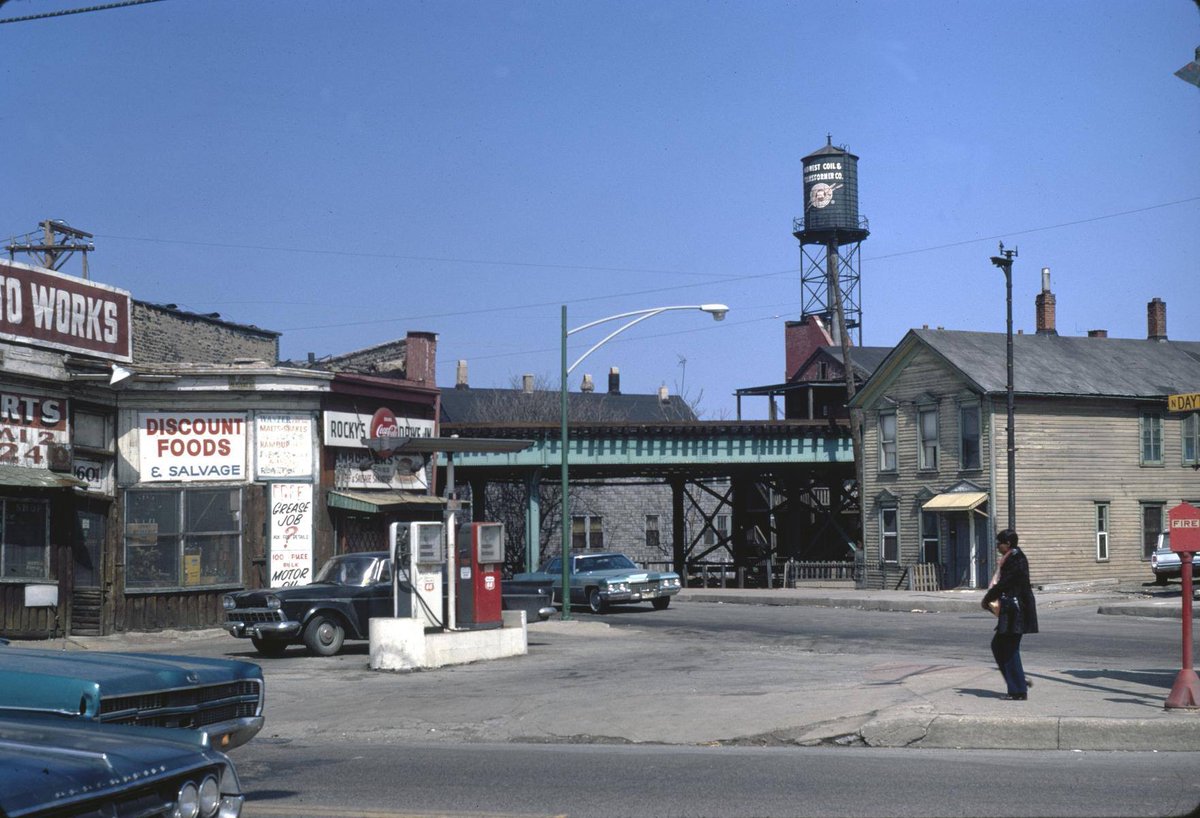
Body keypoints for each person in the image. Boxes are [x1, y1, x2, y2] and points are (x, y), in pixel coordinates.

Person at [981, 528, 1038, 700]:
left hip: (1017, 610)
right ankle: (1018, 681)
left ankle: (1018, 690)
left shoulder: (1016, 559)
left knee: (1009, 648)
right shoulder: (1010, 557)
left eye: (1000, 543)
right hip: (1012, 609)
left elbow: (1005, 583)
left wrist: (987, 598)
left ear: (1008, 544)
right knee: (999, 646)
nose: (997, 546)